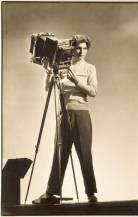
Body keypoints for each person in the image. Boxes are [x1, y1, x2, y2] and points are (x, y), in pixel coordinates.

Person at [32, 35, 98, 204]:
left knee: (85, 154)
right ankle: (51, 193)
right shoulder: (62, 67)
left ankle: (91, 194)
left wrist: (76, 81)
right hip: (64, 114)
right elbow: (48, 88)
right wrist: (48, 70)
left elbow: (93, 92)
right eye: (78, 48)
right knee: (60, 154)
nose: (81, 51)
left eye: (84, 48)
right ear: (72, 49)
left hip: (82, 114)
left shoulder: (90, 68)